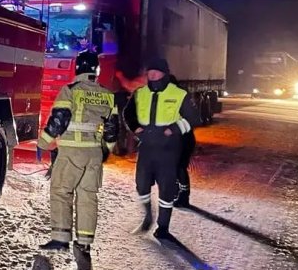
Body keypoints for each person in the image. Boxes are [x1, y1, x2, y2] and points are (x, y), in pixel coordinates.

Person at [36, 50, 119, 254]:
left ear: (78, 67)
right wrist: (106, 150)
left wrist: (43, 143)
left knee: (61, 191)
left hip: (72, 152)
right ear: (97, 70)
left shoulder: (70, 90)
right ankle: (84, 241)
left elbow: (59, 120)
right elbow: (112, 129)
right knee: (88, 195)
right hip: (94, 154)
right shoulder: (108, 95)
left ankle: (61, 238)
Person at [124, 58, 200, 239]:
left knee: (166, 188)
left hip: (169, 148)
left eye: (156, 72)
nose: (152, 75)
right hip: (147, 146)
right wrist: (135, 128)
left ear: (164, 74)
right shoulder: (140, 93)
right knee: (141, 184)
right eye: (149, 72)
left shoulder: (179, 93)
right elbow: (128, 113)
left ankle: (163, 227)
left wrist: (173, 129)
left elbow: (194, 117)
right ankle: (147, 215)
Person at [168, 75, 196, 208]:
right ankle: (175, 192)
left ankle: (184, 196)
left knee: (179, 167)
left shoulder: (181, 98)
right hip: (174, 140)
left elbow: (193, 118)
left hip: (184, 140)